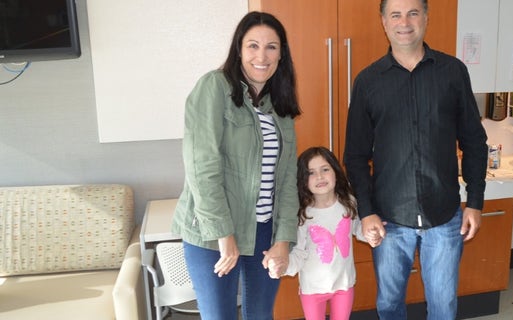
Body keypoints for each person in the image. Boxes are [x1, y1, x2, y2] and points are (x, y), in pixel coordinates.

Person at [343, 0, 488, 319]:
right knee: (389, 305)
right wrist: (366, 212)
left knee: (443, 306)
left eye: (413, 12)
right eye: (395, 14)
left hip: (445, 215)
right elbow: (354, 155)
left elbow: (474, 140)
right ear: (383, 21)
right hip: (389, 218)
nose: (404, 22)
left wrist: (475, 201)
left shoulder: (452, 72)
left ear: (426, 17)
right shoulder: (368, 82)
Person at [170, 11, 301, 320]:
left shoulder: (280, 108)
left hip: (264, 233)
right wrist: (224, 233)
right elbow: (203, 167)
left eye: (271, 47)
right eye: (252, 45)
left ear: (281, 55)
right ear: (239, 50)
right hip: (212, 233)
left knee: (261, 315)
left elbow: (286, 180)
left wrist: (283, 240)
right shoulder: (214, 87)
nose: (262, 55)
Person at [269, 146, 366, 320]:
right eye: (311, 173)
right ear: (303, 180)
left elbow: (358, 227)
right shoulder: (302, 215)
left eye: (325, 169)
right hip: (312, 290)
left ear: (335, 172)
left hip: (343, 285)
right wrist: (283, 267)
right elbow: (298, 253)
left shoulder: (348, 203)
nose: (319, 177)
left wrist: (372, 232)